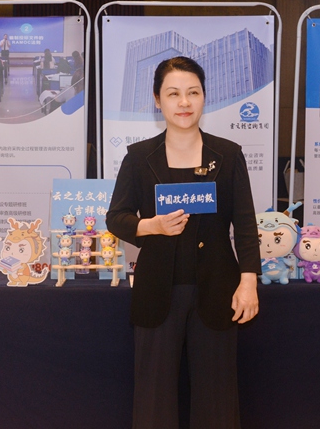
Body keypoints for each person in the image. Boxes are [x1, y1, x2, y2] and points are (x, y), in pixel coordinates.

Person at [106, 56, 261, 429]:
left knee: (217, 395)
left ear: (205, 97)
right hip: (157, 289)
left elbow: (244, 223)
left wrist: (249, 282)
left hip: (218, 288)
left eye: (193, 92)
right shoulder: (139, 157)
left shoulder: (228, 154)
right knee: (154, 395)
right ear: (157, 100)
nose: (184, 102)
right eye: (173, 93)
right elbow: (116, 218)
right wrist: (152, 226)